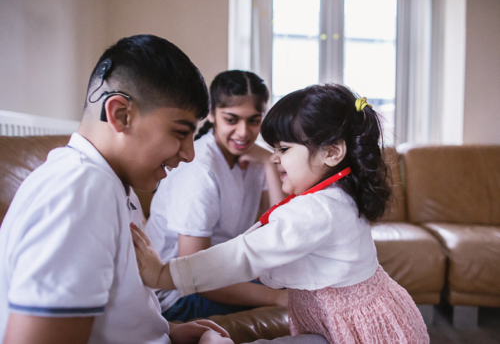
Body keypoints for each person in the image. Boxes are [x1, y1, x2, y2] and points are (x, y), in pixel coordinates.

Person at [132, 84, 430, 344]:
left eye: (284, 149)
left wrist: (164, 273)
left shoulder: (318, 210)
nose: (274, 157)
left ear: (332, 153)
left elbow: (245, 254)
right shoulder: (335, 196)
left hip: (355, 328)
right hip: (365, 316)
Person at [0, 34, 231, 344]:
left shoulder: (114, 181)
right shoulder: (81, 191)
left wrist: (171, 331)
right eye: (180, 132)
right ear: (121, 114)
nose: (189, 154)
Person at [145, 70, 288, 322]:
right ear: (212, 115)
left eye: (254, 121)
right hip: (178, 294)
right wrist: (277, 298)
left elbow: (278, 232)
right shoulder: (199, 169)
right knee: (300, 293)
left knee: (307, 278)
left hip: (223, 273)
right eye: (231, 120)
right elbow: (193, 274)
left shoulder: (254, 158)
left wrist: (268, 163)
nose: (243, 132)